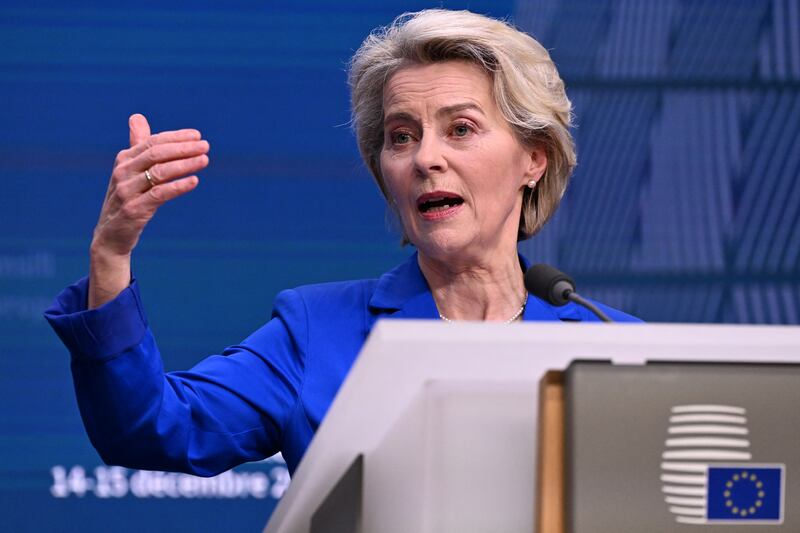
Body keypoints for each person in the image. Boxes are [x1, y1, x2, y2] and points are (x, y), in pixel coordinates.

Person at [44, 9, 639, 478]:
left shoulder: (616, 346)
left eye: (460, 129)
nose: (426, 158)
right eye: (401, 137)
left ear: (534, 158)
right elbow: (150, 427)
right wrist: (111, 256)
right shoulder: (317, 332)